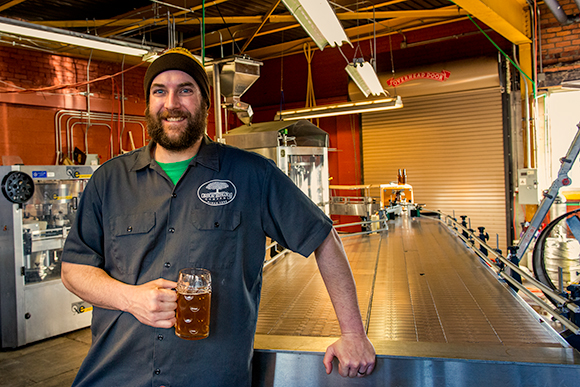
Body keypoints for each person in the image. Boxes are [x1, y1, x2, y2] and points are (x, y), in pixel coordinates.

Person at [61, 47, 375, 387]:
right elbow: (74, 269)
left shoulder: (252, 175)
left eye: (185, 89)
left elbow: (323, 237)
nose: (172, 103)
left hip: (209, 376)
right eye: (159, 91)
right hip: (115, 376)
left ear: (205, 104)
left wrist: (353, 333)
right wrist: (130, 298)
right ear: (149, 104)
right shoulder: (109, 180)